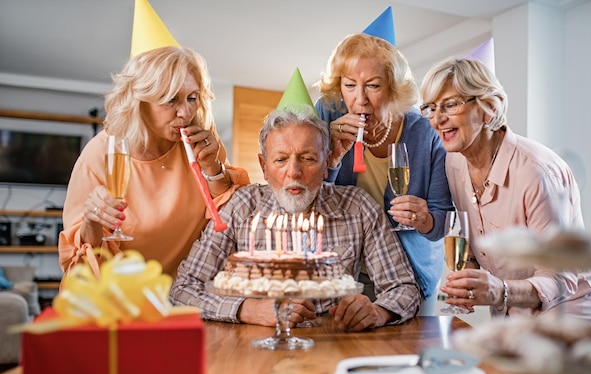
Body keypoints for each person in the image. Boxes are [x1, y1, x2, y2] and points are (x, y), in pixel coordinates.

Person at [170, 109, 420, 331]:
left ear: (326, 164)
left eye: (308, 158)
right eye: (280, 160)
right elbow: (183, 290)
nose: (294, 172)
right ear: (264, 166)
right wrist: (248, 309)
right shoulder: (241, 207)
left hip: (332, 340)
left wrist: (379, 312)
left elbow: (404, 287)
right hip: (254, 344)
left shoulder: (358, 207)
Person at [419, 56, 591, 325]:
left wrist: (499, 291)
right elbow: (473, 235)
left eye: (450, 105)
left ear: (489, 108)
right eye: (431, 108)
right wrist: (469, 270)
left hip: (567, 309)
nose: (437, 119)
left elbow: (560, 277)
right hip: (509, 305)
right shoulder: (454, 161)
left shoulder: (536, 171)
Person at [59, 46, 250, 279]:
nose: (185, 112)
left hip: (186, 294)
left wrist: (213, 168)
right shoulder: (102, 154)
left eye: (192, 98)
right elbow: (80, 265)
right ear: (139, 102)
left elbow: (226, 217)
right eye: (171, 100)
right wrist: (92, 220)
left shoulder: (200, 142)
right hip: (119, 297)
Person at [314, 33, 454, 315]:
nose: (360, 99)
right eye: (350, 85)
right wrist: (330, 158)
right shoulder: (327, 115)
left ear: (394, 89)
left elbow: (442, 222)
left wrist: (424, 219)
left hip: (408, 272)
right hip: (341, 271)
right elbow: (310, 200)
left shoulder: (425, 132)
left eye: (373, 86)